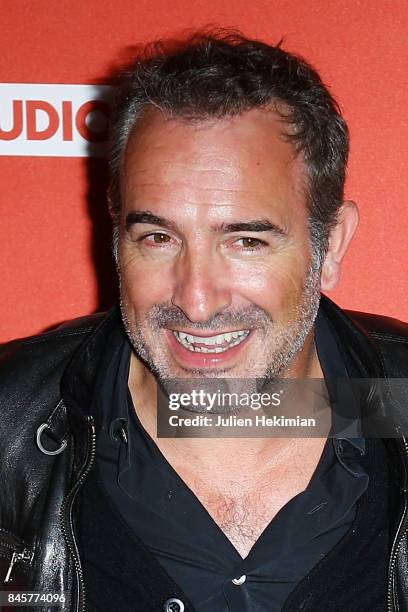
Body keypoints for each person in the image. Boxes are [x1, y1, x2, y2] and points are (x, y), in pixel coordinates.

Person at [0, 31, 407, 612]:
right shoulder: (10, 424)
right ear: (117, 238)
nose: (195, 301)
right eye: (159, 238)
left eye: (245, 241)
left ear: (331, 244)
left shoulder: (397, 402)